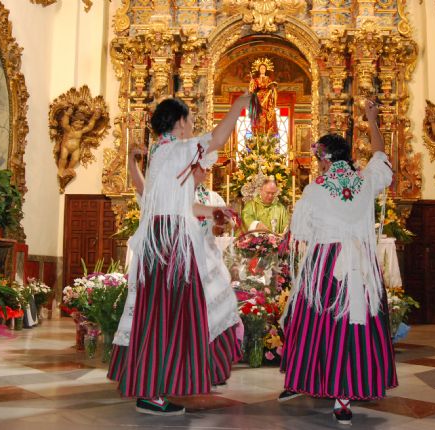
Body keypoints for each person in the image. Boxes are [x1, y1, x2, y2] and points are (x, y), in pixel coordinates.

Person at [108, 94, 250, 416]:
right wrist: (238, 105)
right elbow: (217, 138)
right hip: (170, 242)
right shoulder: (173, 149)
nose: (191, 128)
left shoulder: (163, 151)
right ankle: (151, 392)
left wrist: (215, 208)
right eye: (189, 122)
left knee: (166, 313)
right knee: (167, 313)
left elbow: (181, 206)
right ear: (180, 122)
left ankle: (154, 386)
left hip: (166, 236)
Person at [278, 100, 397, 425]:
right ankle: (344, 398)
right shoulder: (365, 180)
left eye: (318, 158)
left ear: (324, 158)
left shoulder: (314, 189)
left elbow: (301, 230)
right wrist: (372, 121)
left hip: (325, 263)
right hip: (359, 265)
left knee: (317, 322)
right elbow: (380, 156)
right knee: (354, 325)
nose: (317, 165)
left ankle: (302, 378)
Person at [109, 147, 241, 389]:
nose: (204, 172)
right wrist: (131, 162)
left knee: (216, 311)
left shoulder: (211, 198)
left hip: (205, 260)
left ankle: (209, 369)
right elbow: (143, 190)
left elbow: (220, 227)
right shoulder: (170, 193)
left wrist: (219, 225)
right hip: (179, 261)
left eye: (206, 168)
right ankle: (168, 373)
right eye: (200, 167)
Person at [56, 107, 100, 179]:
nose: (79, 126)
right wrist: (67, 115)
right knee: (63, 158)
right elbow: (65, 124)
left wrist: (93, 119)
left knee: (75, 159)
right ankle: (61, 169)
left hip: (76, 149)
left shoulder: (80, 131)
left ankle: (69, 168)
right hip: (65, 147)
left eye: (81, 124)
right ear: (72, 123)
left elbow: (89, 127)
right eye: (77, 123)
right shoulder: (69, 130)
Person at [249, 59, 278, 135]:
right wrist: (252, 83)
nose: (262, 69)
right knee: (259, 114)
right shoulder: (256, 80)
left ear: (266, 69)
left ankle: (268, 131)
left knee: (268, 113)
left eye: (264, 68)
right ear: (258, 70)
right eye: (261, 68)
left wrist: (272, 90)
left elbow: (272, 89)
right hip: (259, 98)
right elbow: (252, 90)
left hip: (267, 98)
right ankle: (258, 131)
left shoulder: (268, 79)